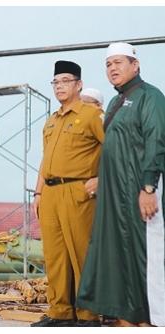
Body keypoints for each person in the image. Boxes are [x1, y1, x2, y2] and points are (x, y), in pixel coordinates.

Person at [77, 42, 165, 327]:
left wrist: (148, 187)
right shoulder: (115, 103)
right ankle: (126, 316)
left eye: (118, 62)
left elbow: (156, 141)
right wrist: (104, 178)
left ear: (135, 65)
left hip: (140, 192)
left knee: (144, 256)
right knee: (117, 255)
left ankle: (152, 319)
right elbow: (116, 149)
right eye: (108, 64)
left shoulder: (150, 97)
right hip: (115, 195)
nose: (112, 68)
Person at [31, 61, 104, 327]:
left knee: (82, 251)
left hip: (78, 191)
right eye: (56, 82)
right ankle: (60, 311)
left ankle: (88, 313)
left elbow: (114, 149)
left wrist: (100, 178)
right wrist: (38, 194)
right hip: (49, 193)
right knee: (55, 254)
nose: (60, 86)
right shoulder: (52, 121)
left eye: (65, 81)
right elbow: (45, 159)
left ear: (78, 84)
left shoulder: (91, 115)